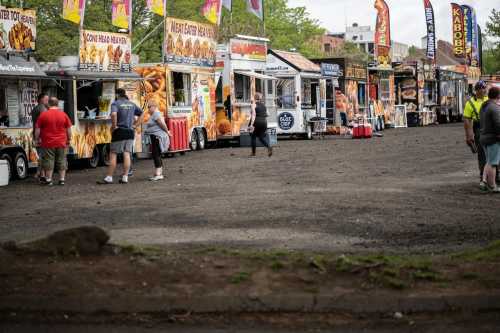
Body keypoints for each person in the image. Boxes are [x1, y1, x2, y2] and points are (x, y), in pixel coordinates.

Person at [98, 88, 142, 185]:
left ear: (117, 95)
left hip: (119, 131)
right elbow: (142, 113)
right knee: (126, 153)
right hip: (130, 132)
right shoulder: (132, 104)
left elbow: (113, 114)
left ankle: (109, 177)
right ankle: (125, 177)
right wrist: (135, 125)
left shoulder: (116, 103)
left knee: (113, 153)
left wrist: (114, 126)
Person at [463, 81, 496, 188]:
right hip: (478, 128)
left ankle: (496, 177)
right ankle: (483, 178)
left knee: (495, 153)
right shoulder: (470, 103)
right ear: (476, 90)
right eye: (481, 88)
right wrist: (469, 136)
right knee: (482, 154)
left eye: (484, 88)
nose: (483, 90)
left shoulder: (490, 100)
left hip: (491, 127)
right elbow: (467, 120)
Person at [34, 97, 72, 186]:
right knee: (62, 160)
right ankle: (62, 179)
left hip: (48, 142)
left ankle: (49, 180)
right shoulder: (64, 115)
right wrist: (69, 139)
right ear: (57, 104)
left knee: (48, 160)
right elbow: (69, 129)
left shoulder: (43, 115)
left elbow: (37, 129)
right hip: (61, 142)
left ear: (48, 104)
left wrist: (36, 139)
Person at [479, 86, 500, 193]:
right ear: (498, 95)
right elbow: (498, 124)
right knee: (493, 163)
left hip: (483, 137)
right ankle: (492, 186)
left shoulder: (484, 106)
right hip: (492, 139)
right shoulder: (495, 107)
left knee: (488, 161)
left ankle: (483, 181)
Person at [144, 101, 171, 181]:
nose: (148, 109)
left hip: (157, 137)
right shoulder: (154, 114)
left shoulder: (156, 113)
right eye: (148, 107)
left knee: (156, 154)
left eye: (149, 107)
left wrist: (167, 132)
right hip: (155, 136)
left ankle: (158, 174)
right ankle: (159, 173)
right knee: (157, 154)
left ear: (154, 106)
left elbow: (161, 124)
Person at [249, 92, 272, 157]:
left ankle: (253, 153)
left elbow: (253, 115)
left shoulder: (253, 105)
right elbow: (268, 114)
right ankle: (269, 147)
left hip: (256, 122)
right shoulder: (264, 105)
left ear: (254, 98)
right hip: (264, 122)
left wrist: (251, 124)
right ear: (260, 98)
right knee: (261, 137)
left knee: (253, 137)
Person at [32, 93, 49, 181]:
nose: (47, 101)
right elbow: (45, 122)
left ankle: (41, 174)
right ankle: (40, 174)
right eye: (46, 99)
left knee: (41, 155)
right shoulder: (43, 109)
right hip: (42, 135)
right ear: (41, 99)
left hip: (37, 134)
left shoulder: (35, 108)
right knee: (44, 156)